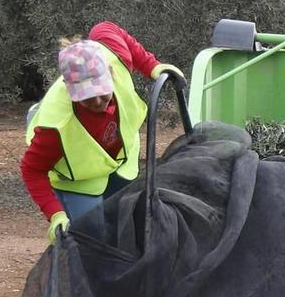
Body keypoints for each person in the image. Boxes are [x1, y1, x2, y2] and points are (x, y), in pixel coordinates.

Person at [19, 23, 178, 242]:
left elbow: (105, 28)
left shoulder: (115, 58)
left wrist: (152, 66)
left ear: (110, 74)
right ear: (68, 88)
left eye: (101, 92)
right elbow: (32, 170)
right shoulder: (54, 129)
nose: (96, 102)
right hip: (79, 180)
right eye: (85, 97)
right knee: (91, 238)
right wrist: (56, 214)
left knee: (126, 225)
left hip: (120, 161)